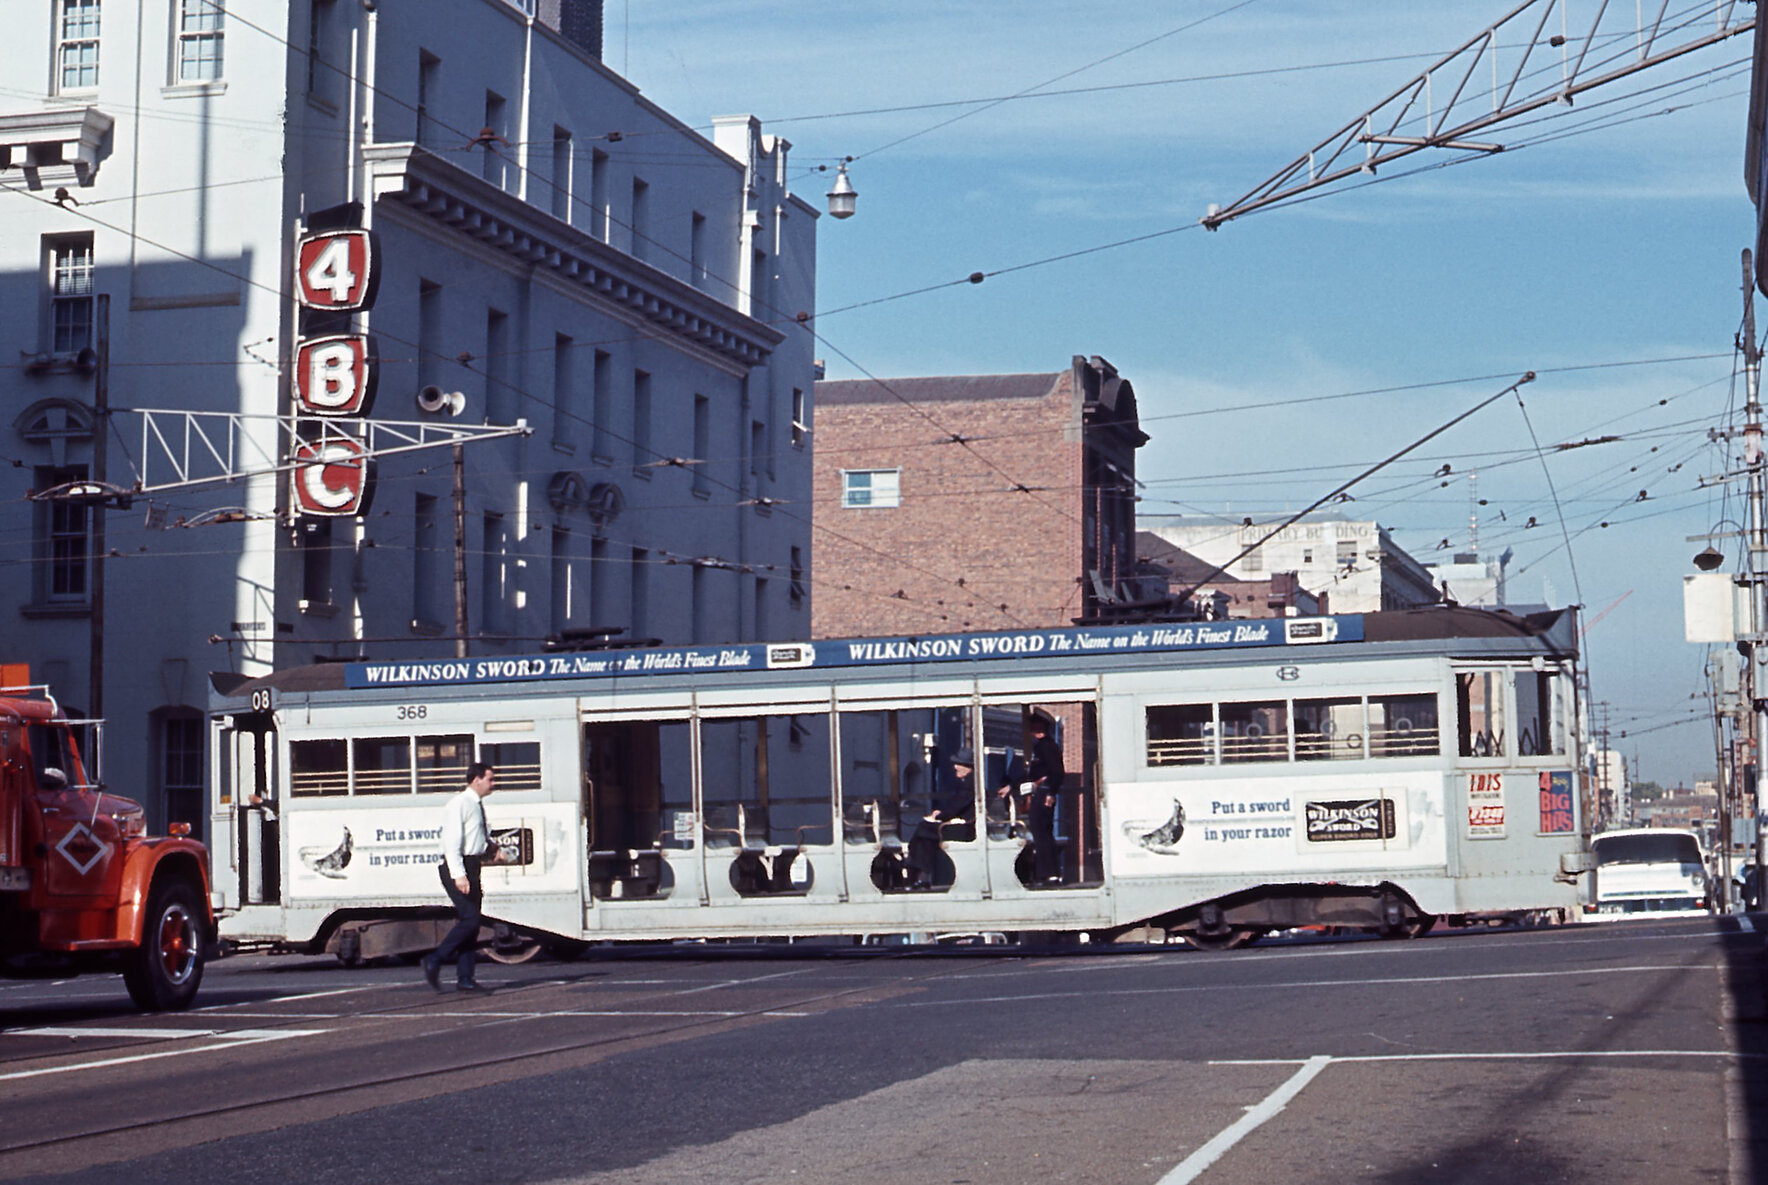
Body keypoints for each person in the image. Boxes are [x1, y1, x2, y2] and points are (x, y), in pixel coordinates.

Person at [423, 763, 501, 991]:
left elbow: (476, 838)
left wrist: (493, 850)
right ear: (476, 779)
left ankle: (465, 978)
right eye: (490, 779)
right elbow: (452, 843)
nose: (493, 784)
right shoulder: (459, 804)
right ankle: (435, 959)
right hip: (457, 866)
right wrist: (459, 875)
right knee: (470, 920)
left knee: (472, 923)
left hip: (472, 864)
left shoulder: (476, 805)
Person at [998, 711, 1064, 884]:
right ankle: (1047, 872)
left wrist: (1051, 792)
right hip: (1039, 790)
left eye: (1033, 725)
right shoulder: (1039, 747)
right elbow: (1031, 774)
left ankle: (1049, 873)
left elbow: (1056, 772)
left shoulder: (1047, 746)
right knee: (1040, 832)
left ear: (1040, 727)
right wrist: (1011, 786)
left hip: (1044, 792)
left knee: (1042, 832)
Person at [904, 748, 976, 889]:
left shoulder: (968, 784)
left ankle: (916, 867)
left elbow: (957, 807)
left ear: (969, 767)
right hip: (962, 823)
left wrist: (939, 815)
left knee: (924, 829)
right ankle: (920, 870)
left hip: (964, 827)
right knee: (925, 832)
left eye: (960, 764)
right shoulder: (967, 783)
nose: (955, 767)